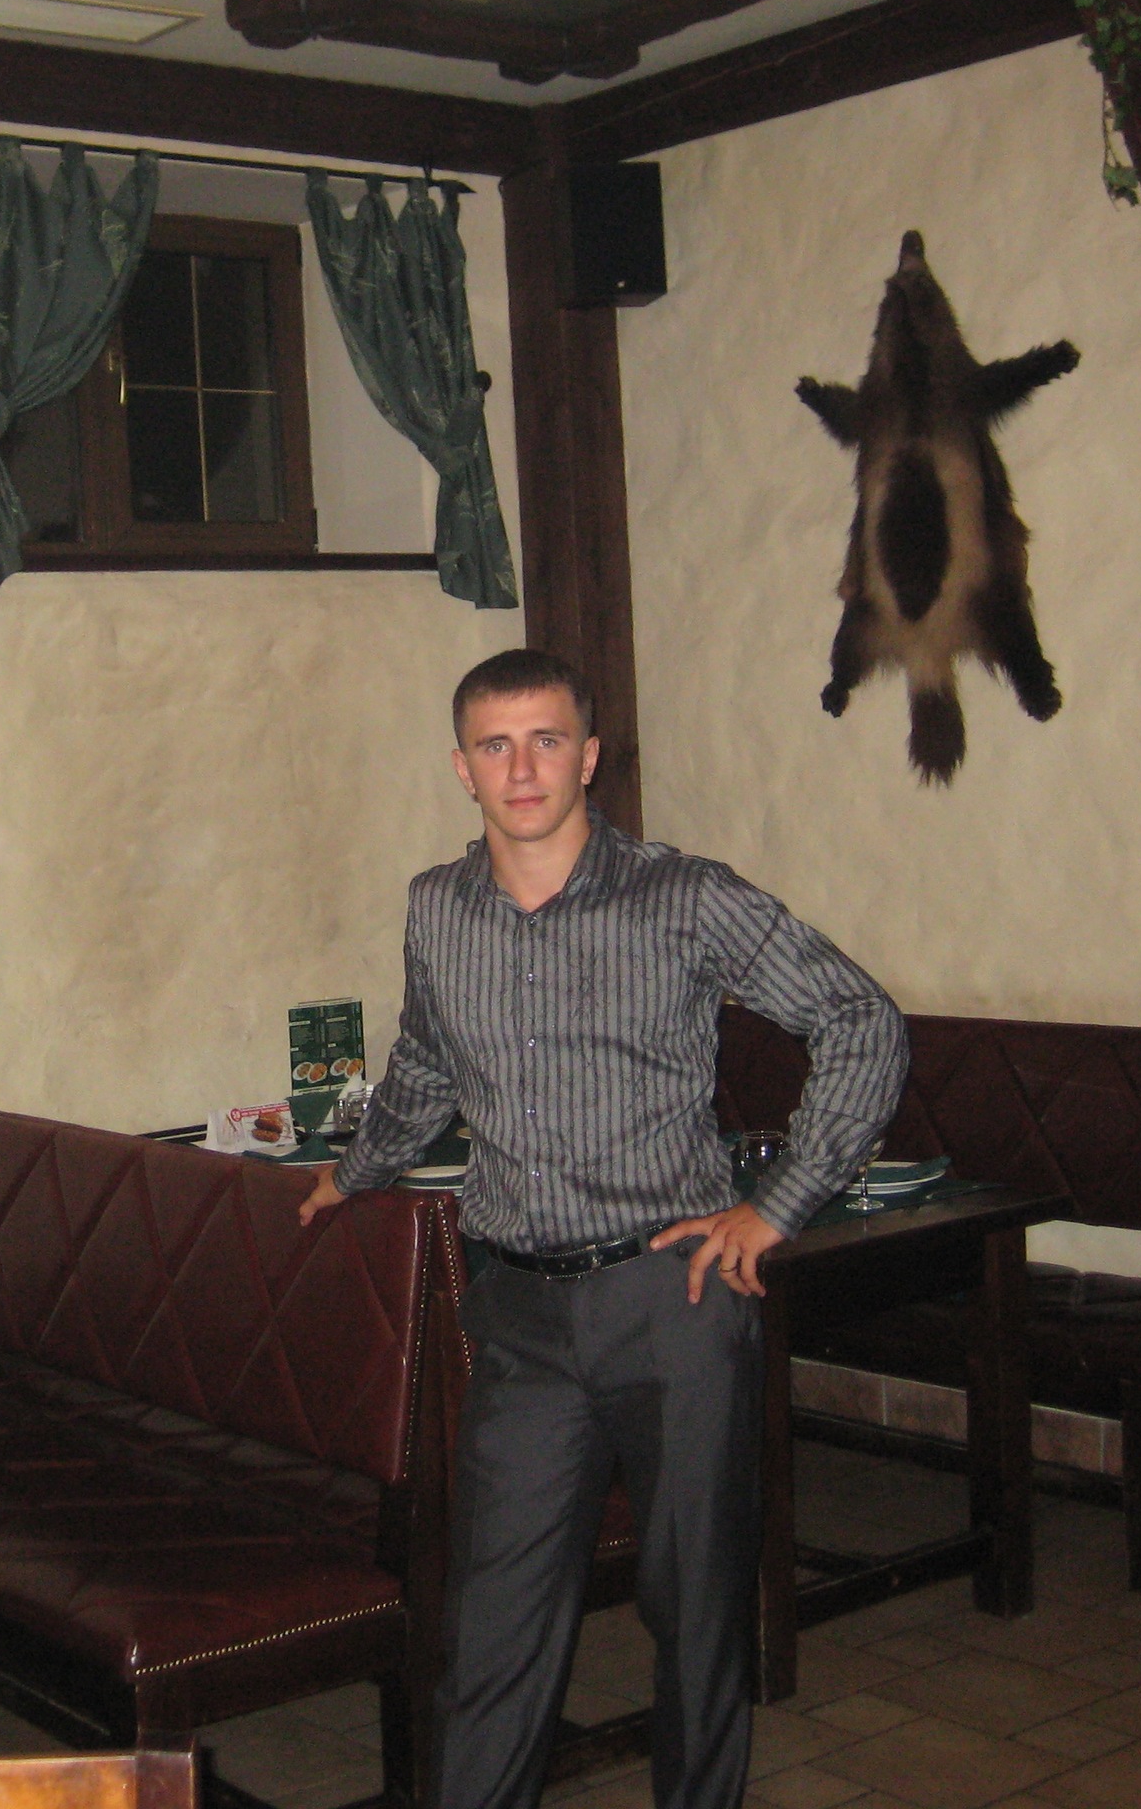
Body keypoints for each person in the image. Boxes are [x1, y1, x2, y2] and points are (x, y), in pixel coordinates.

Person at [299, 647, 907, 1809]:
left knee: (695, 1616)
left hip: (669, 1301)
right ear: (462, 768)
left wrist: (777, 1206)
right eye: (495, 745)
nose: (521, 768)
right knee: (491, 1629)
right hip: (520, 1316)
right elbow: (425, 1060)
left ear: (587, 755)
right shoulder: (437, 906)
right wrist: (354, 1169)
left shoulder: (682, 896)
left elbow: (858, 1019)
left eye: (545, 740)